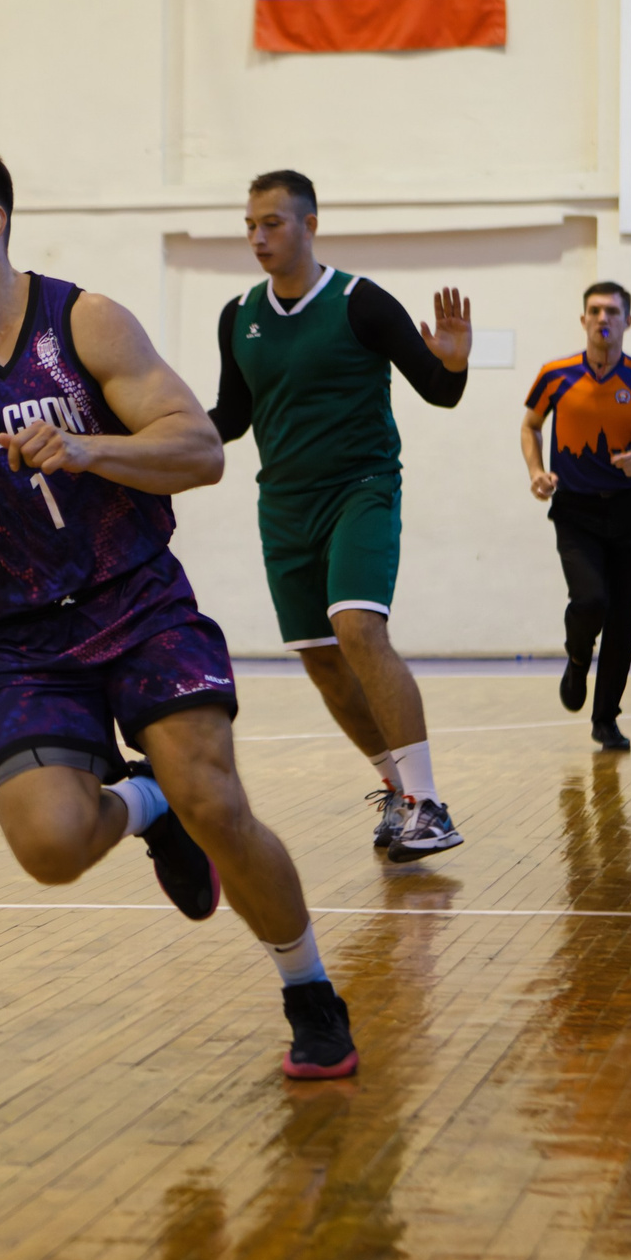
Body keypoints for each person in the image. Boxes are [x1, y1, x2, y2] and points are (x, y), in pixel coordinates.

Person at [0, 138, 358, 1080]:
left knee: (218, 797)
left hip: (137, 598)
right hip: (22, 637)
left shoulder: (83, 322)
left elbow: (198, 447)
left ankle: (308, 988)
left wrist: (88, 448)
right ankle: (145, 803)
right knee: (49, 845)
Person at [205, 170, 473, 861]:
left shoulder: (361, 302)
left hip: (362, 487)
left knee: (356, 626)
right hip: (283, 504)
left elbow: (439, 392)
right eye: (250, 225)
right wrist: (149, 425)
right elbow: (229, 420)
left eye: (273, 222)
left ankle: (430, 803)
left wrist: (456, 362)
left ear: (310, 223)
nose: (259, 237)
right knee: (323, 661)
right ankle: (395, 790)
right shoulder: (238, 315)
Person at [520, 282, 631, 751]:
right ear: (584, 319)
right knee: (590, 600)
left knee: (623, 622)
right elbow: (530, 424)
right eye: (594, 311)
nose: (602, 319)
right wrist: (536, 472)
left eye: (612, 312)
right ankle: (576, 659)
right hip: (574, 508)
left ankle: (605, 719)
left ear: (627, 321)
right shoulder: (555, 374)